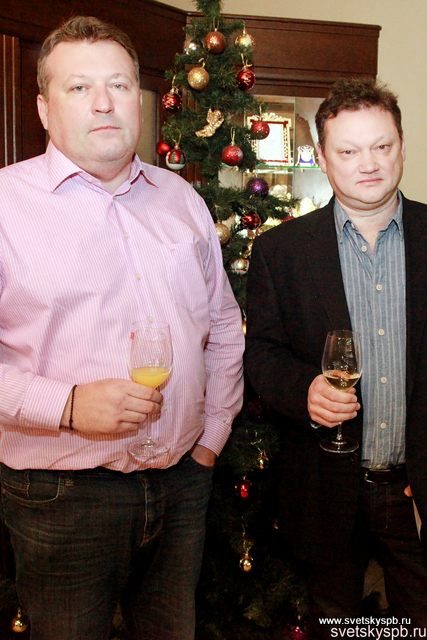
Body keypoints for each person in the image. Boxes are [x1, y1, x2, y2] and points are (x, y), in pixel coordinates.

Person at [0, 16, 244, 640]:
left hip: (182, 483)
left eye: (119, 84)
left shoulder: (182, 200)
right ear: (44, 109)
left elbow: (222, 323)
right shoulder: (5, 206)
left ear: (140, 99)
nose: (104, 102)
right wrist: (67, 404)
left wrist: (212, 437)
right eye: (79, 87)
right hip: (60, 495)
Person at [245, 77, 427, 637]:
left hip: (415, 492)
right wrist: (303, 390)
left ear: (401, 146)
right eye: (348, 151)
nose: (368, 164)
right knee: (339, 627)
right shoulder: (280, 251)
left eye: (381, 146)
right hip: (326, 492)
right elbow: (261, 353)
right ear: (322, 158)